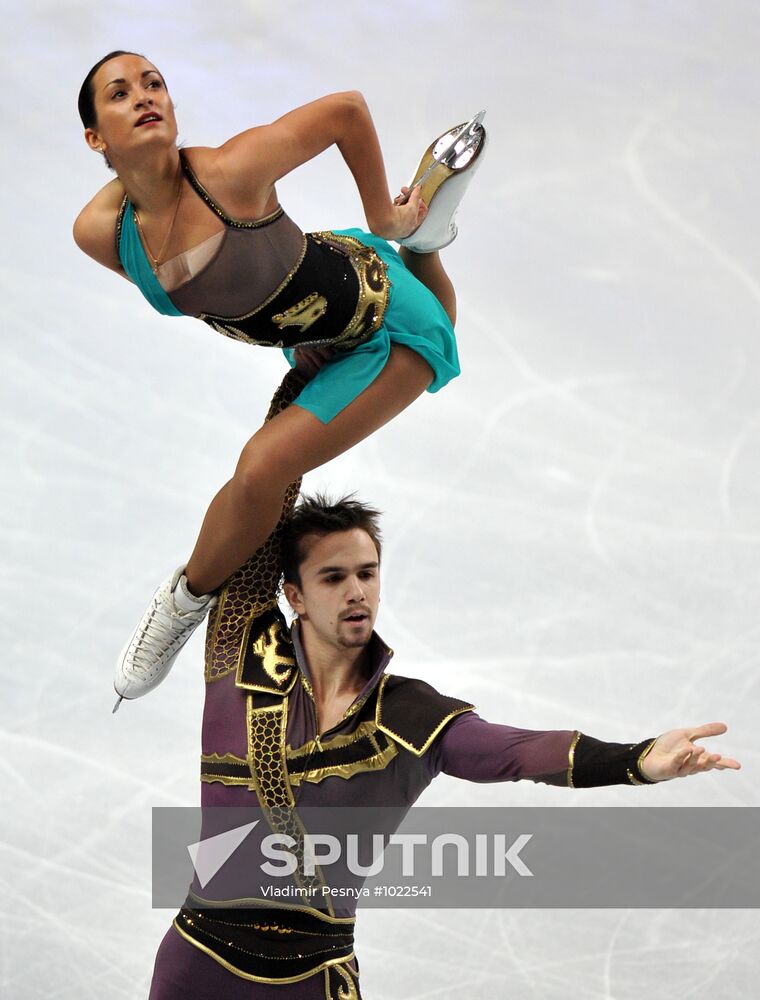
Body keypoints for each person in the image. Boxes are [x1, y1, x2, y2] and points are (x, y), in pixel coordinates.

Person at [144, 372, 740, 1000]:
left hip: (312, 978)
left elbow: (512, 752)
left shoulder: (407, 712)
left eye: (368, 573)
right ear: (292, 594)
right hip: (199, 961)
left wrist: (638, 761)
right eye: (333, 577)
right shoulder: (241, 654)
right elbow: (262, 488)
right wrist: (308, 379)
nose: (356, 592)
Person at [72, 51, 487, 705]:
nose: (145, 96)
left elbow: (346, 110)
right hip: (322, 326)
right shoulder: (101, 233)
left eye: (154, 83)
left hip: (388, 328)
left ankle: (179, 603)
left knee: (261, 465)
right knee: (261, 468)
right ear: (95, 136)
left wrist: (380, 213)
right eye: (120, 94)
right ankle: (426, 240)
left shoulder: (233, 172)